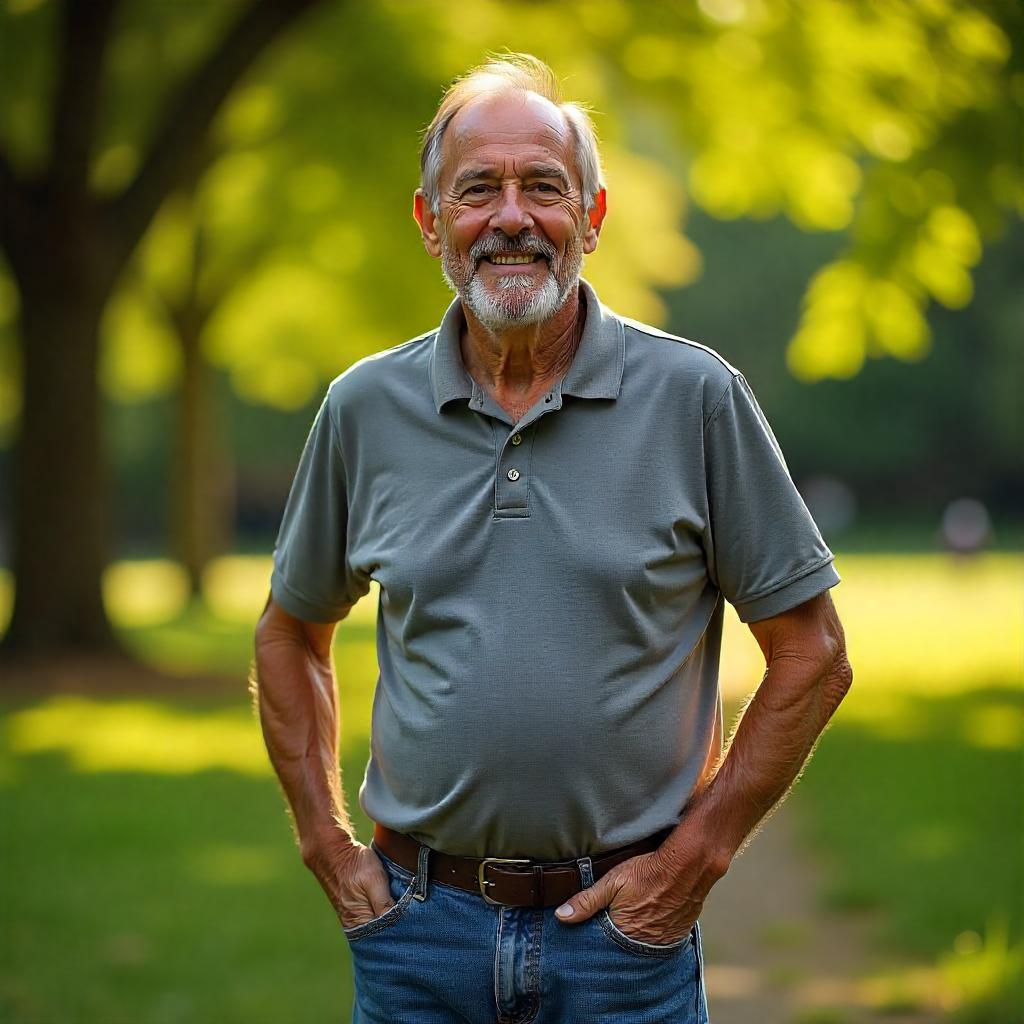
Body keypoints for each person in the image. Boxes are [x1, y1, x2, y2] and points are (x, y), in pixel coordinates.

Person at [252, 53, 853, 1024]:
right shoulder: (364, 408)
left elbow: (812, 652)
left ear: (595, 217)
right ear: (430, 222)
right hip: (416, 936)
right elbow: (288, 633)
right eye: (478, 189)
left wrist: (696, 858)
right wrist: (323, 840)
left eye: (544, 186)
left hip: (624, 943)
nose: (512, 217)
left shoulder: (695, 398)